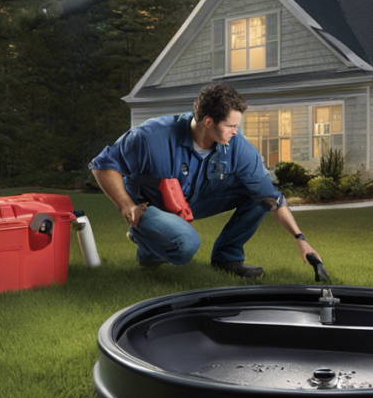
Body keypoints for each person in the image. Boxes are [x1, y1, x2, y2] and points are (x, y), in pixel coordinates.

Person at [89, 82, 321, 278]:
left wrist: (300, 239)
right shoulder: (151, 137)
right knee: (185, 246)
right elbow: (103, 165)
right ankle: (144, 237)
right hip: (150, 205)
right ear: (208, 121)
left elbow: (270, 197)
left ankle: (226, 258)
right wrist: (126, 205)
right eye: (230, 126)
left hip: (195, 201)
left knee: (257, 196)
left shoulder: (237, 146)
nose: (235, 132)